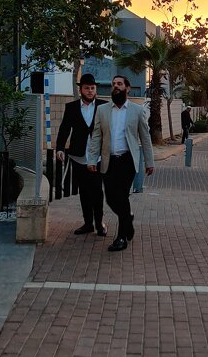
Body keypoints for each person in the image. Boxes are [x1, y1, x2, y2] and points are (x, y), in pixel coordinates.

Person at [87, 75, 154, 252]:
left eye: (119, 84)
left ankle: (121, 237)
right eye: (113, 84)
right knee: (110, 199)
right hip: (108, 161)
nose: (116, 87)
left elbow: (145, 137)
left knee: (122, 197)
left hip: (127, 161)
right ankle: (128, 220)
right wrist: (92, 159)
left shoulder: (137, 111)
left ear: (127, 88)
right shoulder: (102, 110)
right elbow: (96, 137)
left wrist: (149, 161)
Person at [55, 73, 107, 236]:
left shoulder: (104, 106)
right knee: (84, 191)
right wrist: (60, 148)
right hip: (78, 155)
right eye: (87, 88)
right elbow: (64, 129)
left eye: (92, 88)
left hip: (97, 156)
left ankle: (99, 224)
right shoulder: (71, 107)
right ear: (81, 90)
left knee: (97, 191)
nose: (90, 91)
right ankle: (87, 223)